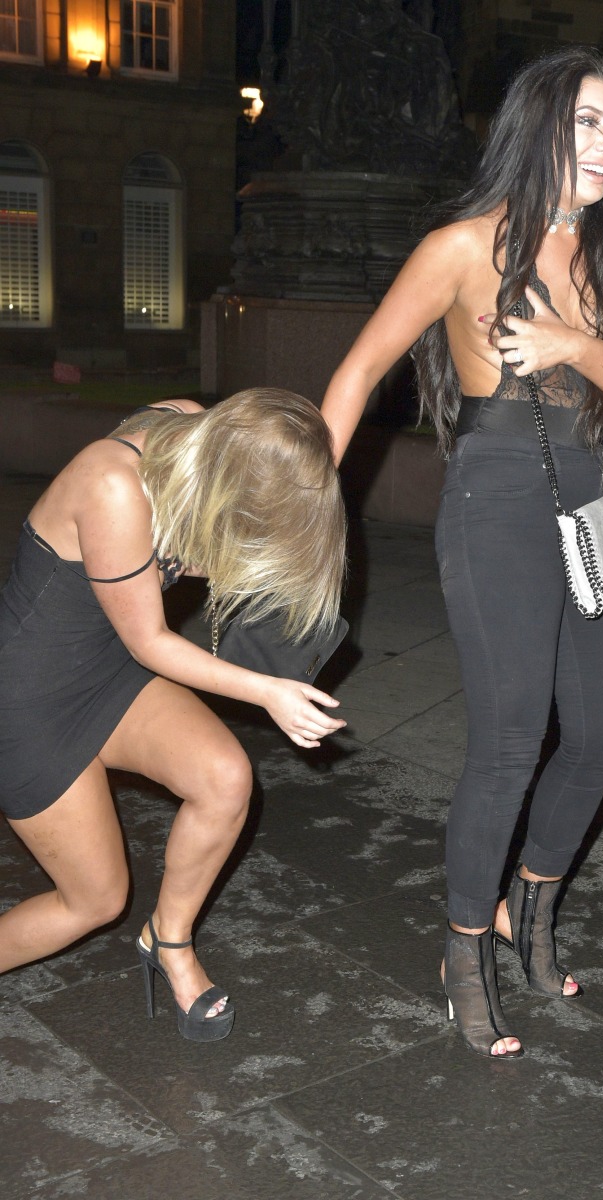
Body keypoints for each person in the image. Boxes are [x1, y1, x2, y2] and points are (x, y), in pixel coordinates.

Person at [321, 46, 603, 1058]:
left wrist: (571, 346)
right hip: (498, 500)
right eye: (586, 123)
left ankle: (531, 902)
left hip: (596, 494)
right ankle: (464, 947)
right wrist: (306, 507)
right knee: (512, 741)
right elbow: (358, 373)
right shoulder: (463, 246)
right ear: (538, 125)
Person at [0, 388, 347, 1041]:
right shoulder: (113, 484)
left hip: (105, 669)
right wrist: (268, 690)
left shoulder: (196, 431)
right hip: (29, 698)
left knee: (224, 778)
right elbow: (150, 642)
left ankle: (170, 939)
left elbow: (179, 562)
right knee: (94, 900)